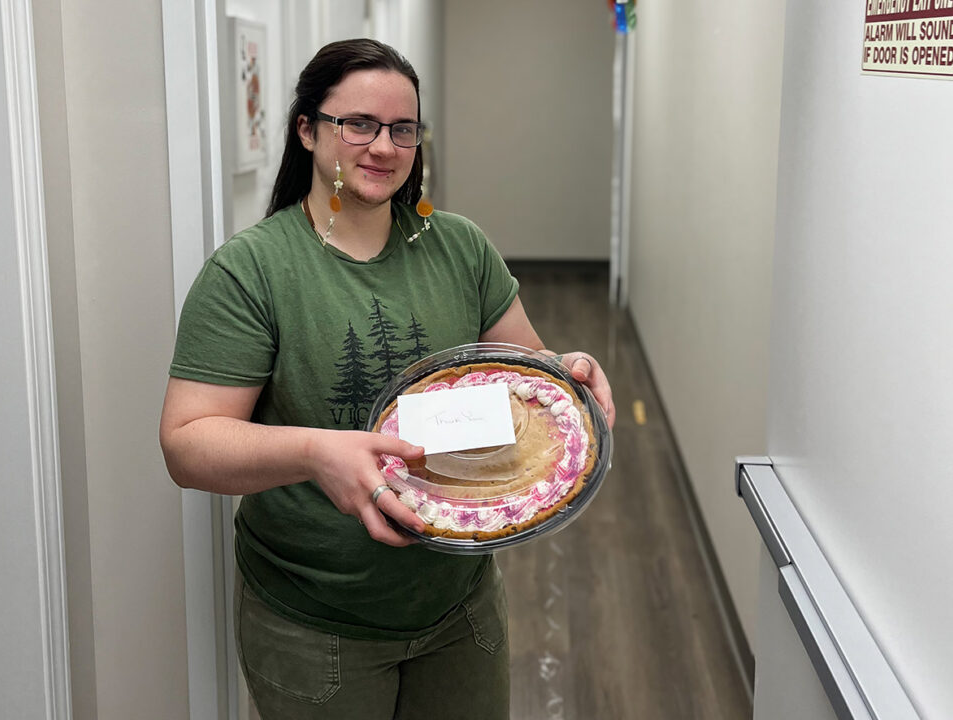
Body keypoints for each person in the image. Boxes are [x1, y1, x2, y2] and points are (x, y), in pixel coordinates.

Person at [160, 38, 615, 720]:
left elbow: (526, 373)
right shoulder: (250, 271)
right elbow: (187, 445)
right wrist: (317, 451)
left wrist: (569, 370)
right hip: (318, 623)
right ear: (308, 130)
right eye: (360, 124)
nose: (383, 147)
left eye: (403, 129)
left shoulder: (457, 245)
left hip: (458, 601)